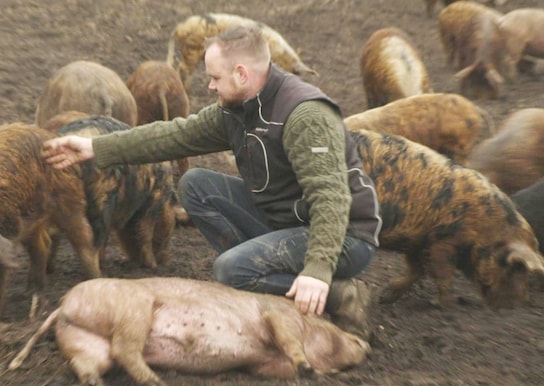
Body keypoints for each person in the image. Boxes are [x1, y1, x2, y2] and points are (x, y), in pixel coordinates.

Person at [42, 25, 381, 339]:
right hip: (289, 220)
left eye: (215, 77)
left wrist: (319, 270)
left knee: (230, 271)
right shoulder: (238, 108)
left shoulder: (305, 116)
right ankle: (263, 278)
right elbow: (173, 135)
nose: (209, 85)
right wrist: (95, 147)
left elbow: (332, 199)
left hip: (342, 236)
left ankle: (341, 293)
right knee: (194, 185)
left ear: (242, 74)